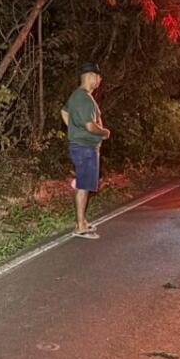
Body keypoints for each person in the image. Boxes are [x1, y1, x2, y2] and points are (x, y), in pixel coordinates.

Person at [61, 62, 110, 239]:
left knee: (86, 184)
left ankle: (82, 221)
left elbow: (64, 112)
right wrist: (104, 132)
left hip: (82, 145)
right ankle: (80, 226)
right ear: (91, 77)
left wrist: (74, 129)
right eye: (98, 77)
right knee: (83, 186)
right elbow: (90, 126)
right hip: (85, 147)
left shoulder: (77, 96)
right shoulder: (84, 98)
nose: (99, 81)